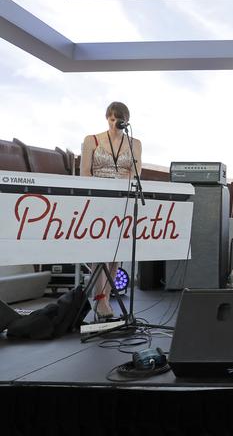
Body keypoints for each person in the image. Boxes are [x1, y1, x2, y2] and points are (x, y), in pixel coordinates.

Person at [80, 101, 142, 319]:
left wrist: (123, 181)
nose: (115, 123)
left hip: (122, 200)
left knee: (117, 253)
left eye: (119, 120)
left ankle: (105, 298)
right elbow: (85, 173)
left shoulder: (135, 143)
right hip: (98, 200)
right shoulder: (92, 140)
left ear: (127, 121)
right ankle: (100, 299)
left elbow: (135, 173)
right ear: (107, 118)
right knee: (101, 252)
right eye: (111, 118)